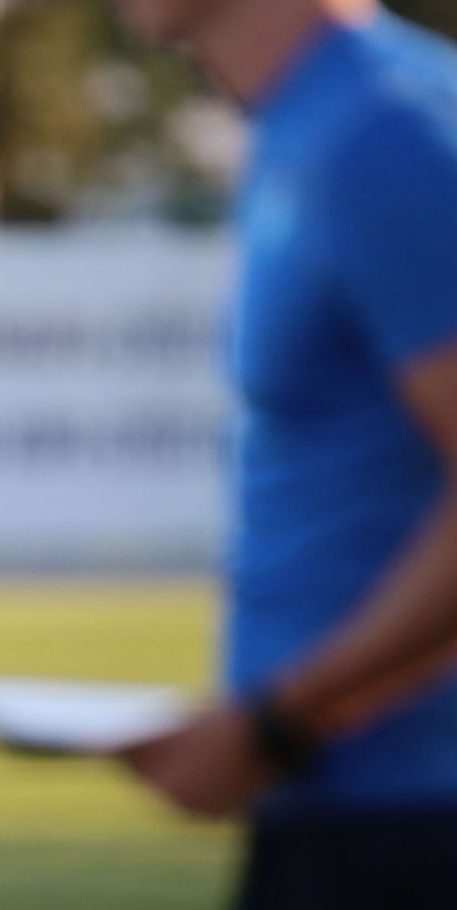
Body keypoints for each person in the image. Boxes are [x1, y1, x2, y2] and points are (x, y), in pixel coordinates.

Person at [111, 0, 457, 906]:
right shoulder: (303, 120)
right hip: (338, 810)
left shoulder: (385, 135)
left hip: (412, 823)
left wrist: (275, 723)